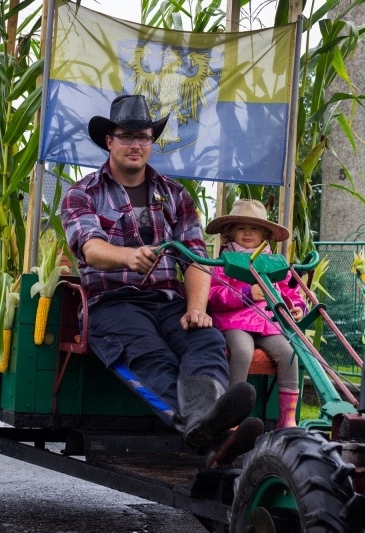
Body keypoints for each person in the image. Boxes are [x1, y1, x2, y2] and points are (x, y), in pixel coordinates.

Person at [60, 94, 263, 464]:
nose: (136, 145)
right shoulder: (82, 193)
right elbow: (89, 249)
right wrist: (128, 256)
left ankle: (209, 423)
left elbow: (197, 259)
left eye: (144, 137)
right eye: (126, 136)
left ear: (152, 141)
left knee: (207, 340)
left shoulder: (175, 194)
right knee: (152, 358)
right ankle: (212, 430)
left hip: (170, 302)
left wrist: (198, 308)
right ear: (110, 140)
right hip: (114, 305)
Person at [206, 200, 305, 429]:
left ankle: (286, 420)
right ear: (231, 233)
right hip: (234, 322)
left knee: (289, 354)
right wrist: (246, 293)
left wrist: (296, 307)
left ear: (264, 235)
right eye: (241, 228)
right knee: (241, 351)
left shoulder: (274, 263)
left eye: (254, 228)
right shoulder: (224, 261)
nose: (248, 233)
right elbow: (213, 293)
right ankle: (231, 416)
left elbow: (290, 291)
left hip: (267, 322)